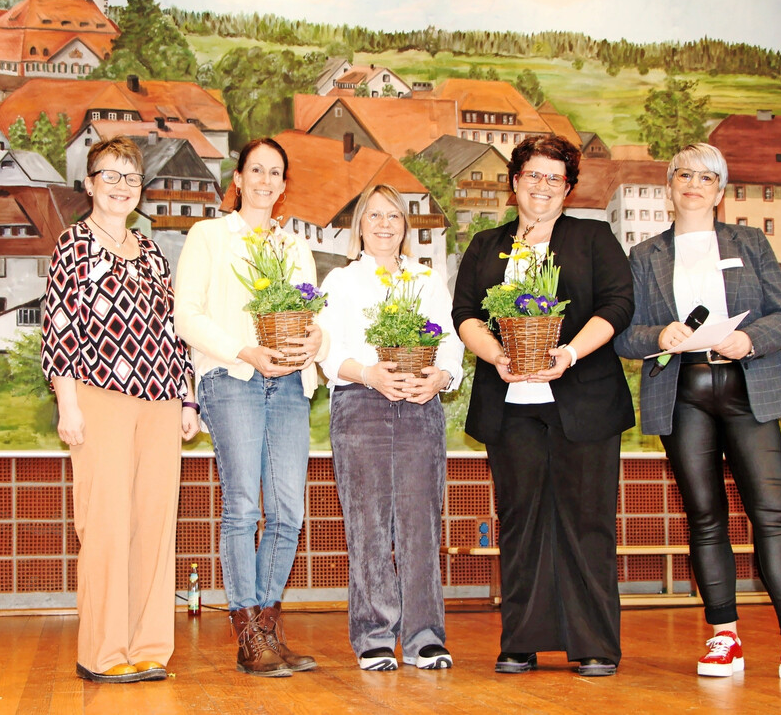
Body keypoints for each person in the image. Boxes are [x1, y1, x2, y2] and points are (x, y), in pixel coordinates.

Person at [614, 143, 781, 683]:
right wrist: (659, 334)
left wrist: (749, 339)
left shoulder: (750, 243)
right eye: (684, 174)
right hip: (681, 392)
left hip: (749, 386)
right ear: (669, 187)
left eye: (706, 177)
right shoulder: (644, 256)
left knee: (773, 514)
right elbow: (624, 338)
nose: (694, 183)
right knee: (705, 518)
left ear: (720, 191)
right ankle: (722, 637)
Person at [452, 135, 634, 677]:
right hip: (510, 405)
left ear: (569, 188)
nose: (543, 187)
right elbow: (464, 312)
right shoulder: (487, 245)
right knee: (520, 520)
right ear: (515, 182)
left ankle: (594, 642)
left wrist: (571, 352)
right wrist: (497, 356)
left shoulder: (594, 238)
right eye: (534, 175)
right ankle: (521, 639)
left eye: (555, 178)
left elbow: (619, 304)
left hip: (584, 402)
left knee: (588, 521)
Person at [41, 136, 200, 684]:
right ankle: (103, 653)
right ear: (89, 184)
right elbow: (59, 328)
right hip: (98, 397)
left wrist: (186, 398)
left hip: (159, 402)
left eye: (130, 177)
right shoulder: (73, 245)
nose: (121, 186)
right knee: (106, 527)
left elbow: (172, 330)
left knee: (154, 528)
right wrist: (68, 404)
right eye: (109, 175)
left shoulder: (153, 251)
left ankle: (149, 647)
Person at [175, 137, 325, 678]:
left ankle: (266, 626)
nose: (264, 180)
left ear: (285, 186)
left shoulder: (295, 248)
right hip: (232, 378)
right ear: (238, 178)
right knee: (242, 508)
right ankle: (248, 634)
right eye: (255, 170)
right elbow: (186, 315)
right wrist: (245, 350)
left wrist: (316, 343)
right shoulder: (209, 236)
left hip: (287, 385)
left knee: (288, 513)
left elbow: (312, 321)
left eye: (275, 172)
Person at [317, 185, 464, 671]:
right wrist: (370, 374)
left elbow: (449, 344)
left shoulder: (428, 279)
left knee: (421, 524)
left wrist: (442, 376)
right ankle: (375, 635)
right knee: (369, 525)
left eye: (394, 217)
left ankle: (424, 636)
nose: (385, 224)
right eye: (375, 215)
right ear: (360, 224)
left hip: (421, 406)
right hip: (361, 405)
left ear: (405, 226)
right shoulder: (341, 281)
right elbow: (329, 354)